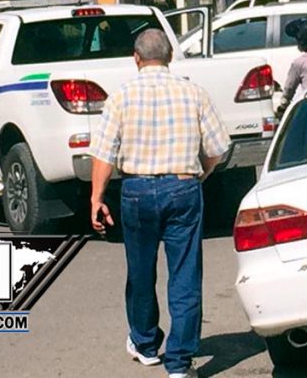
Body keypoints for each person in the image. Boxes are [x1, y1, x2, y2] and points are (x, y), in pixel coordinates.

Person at [88, 29, 231, 378]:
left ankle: (145, 343)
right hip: (183, 187)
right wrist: (199, 174)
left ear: (136, 58)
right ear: (170, 56)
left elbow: (104, 154)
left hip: (136, 189)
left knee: (140, 271)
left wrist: (96, 198)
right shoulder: (193, 93)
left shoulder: (120, 97)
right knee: (185, 273)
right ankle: (179, 363)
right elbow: (217, 148)